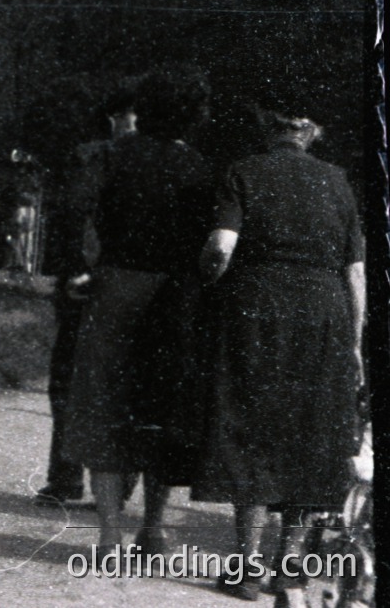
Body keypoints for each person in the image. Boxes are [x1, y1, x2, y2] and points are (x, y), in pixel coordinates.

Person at [195, 103, 365, 606]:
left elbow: (221, 247)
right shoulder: (338, 182)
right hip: (324, 315)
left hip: (257, 308)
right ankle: (288, 569)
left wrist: (207, 286)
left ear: (267, 130)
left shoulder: (244, 171)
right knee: (309, 433)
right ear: (311, 132)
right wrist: (354, 343)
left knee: (250, 426)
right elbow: (356, 274)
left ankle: (246, 568)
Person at [62, 65, 213, 560]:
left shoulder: (113, 155)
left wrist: (79, 269)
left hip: (116, 290)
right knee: (161, 411)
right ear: (191, 117)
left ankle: (108, 536)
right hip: (175, 298)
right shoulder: (198, 168)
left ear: (142, 111)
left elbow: (74, 208)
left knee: (105, 406)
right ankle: (154, 530)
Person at [33, 87, 136, 507]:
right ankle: (69, 477)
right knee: (73, 382)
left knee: (110, 383)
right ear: (113, 118)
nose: (133, 125)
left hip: (115, 285)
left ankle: (102, 481)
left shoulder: (128, 159)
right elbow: (68, 215)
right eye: (128, 115)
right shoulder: (91, 157)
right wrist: (73, 268)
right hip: (95, 284)